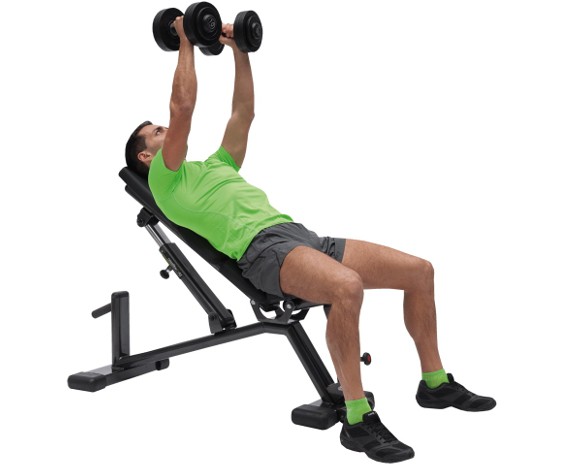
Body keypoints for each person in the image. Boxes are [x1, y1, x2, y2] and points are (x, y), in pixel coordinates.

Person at [124, 17, 496, 464]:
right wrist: (185, 40)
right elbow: (182, 108)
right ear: (146, 156)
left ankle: (435, 384)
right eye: (157, 133)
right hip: (262, 254)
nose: (166, 131)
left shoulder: (217, 165)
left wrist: (239, 50)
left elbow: (243, 113)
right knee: (346, 287)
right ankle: (357, 420)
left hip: (299, 237)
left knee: (420, 272)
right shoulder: (166, 182)